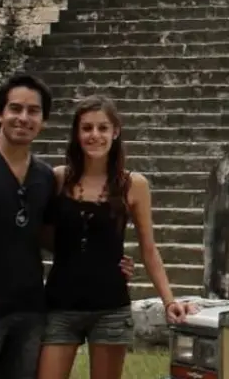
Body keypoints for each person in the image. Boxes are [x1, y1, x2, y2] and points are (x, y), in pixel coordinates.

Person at [0, 73, 133, 379]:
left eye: (33, 111)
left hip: (30, 312)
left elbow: (54, 237)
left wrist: (106, 258)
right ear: (0, 114)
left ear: (44, 120)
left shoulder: (43, 176)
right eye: (15, 109)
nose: (23, 118)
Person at [37, 94, 193, 379]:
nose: (94, 135)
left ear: (115, 132)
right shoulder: (59, 178)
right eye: (86, 128)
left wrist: (170, 301)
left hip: (110, 306)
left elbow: (149, 248)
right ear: (76, 132)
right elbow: (46, 237)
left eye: (102, 128)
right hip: (60, 305)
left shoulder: (133, 185)